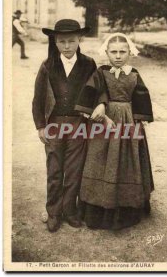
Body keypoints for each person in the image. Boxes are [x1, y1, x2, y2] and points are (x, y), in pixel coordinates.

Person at [32, 19, 106, 232]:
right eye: (62, 41)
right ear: (55, 42)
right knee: (55, 169)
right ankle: (54, 212)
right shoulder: (47, 66)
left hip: (78, 124)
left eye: (71, 41)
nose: (67, 46)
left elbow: (99, 88)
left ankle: (70, 210)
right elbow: (38, 99)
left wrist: (101, 103)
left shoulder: (88, 63)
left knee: (74, 169)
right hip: (54, 124)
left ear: (79, 40)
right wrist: (40, 126)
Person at [75, 32, 154, 230]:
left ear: (129, 52)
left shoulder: (134, 73)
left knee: (128, 160)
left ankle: (127, 205)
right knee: (100, 158)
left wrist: (138, 120)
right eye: (114, 52)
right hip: (105, 122)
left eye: (122, 52)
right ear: (107, 52)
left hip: (128, 123)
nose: (118, 56)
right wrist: (98, 107)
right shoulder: (101, 72)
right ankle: (97, 207)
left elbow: (141, 96)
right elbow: (91, 91)